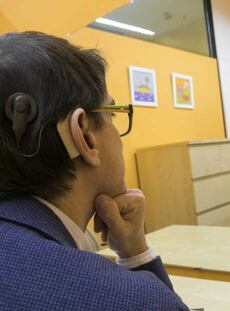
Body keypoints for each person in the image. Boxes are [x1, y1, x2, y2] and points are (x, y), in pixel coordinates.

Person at [0, 31, 188, 310]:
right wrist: (138, 257)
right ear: (85, 136)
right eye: (112, 113)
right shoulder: (127, 300)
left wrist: (132, 248)